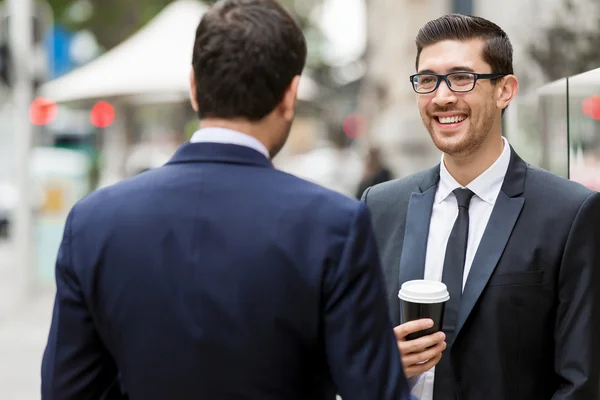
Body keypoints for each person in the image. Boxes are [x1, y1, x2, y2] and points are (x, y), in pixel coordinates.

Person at [40, 1, 410, 399]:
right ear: (290, 95)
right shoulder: (335, 224)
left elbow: (67, 390)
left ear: (195, 88)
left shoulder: (94, 221)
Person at [361, 13, 600, 400]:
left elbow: (581, 382)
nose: (441, 97)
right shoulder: (380, 207)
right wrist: (382, 369)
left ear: (505, 90)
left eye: (461, 78)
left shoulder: (571, 213)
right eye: (427, 80)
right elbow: (351, 353)